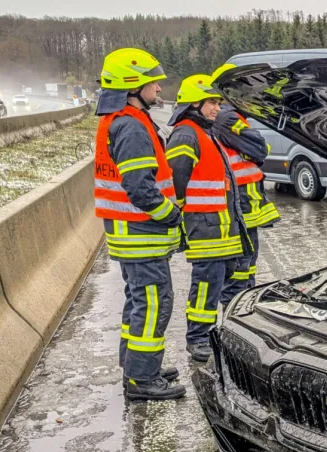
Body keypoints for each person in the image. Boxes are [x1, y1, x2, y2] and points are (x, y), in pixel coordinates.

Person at [93, 48, 185, 400]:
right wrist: (172, 215)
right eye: (153, 83)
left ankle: (136, 367)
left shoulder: (118, 119)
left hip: (129, 234)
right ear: (133, 86)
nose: (160, 88)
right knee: (153, 304)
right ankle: (141, 380)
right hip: (141, 233)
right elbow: (140, 189)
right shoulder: (131, 126)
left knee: (138, 302)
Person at [164, 74, 248, 363]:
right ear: (193, 104)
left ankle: (223, 332)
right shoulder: (186, 133)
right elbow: (176, 180)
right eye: (212, 102)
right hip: (205, 227)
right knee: (206, 285)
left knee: (224, 281)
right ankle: (197, 338)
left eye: (218, 103)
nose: (217, 108)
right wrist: (187, 218)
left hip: (220, 227)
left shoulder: (204, 132)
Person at [210, 63, 279, 301]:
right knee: (239, 271)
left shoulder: (227, 116)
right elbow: (259, 148)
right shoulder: (227, 118)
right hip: (240, 205)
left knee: (246, 269)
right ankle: (235, 317)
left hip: (244, 206)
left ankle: (243, 308)